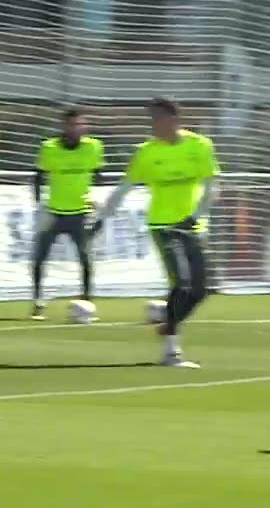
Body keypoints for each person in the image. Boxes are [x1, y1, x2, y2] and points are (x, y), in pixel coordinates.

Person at [90, 97, 219, 368]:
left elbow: (211, 187)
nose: (153, 125)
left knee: (202, 289)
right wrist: (101, 218)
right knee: (181, 283)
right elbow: (124, 188)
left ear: (173, 119)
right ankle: (171, 351)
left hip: (192, 226)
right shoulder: (146, 152)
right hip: (162, 225)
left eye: (157, 118)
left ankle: (170, 322)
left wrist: (194, 218)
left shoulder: (200, 146)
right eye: (151, 119)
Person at [30, 109, 104, 321]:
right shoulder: (49, 148)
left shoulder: (94, 147)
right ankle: (38, 302)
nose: (76, 129)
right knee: (40, 257)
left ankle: (87, 301)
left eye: (80, 125)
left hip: (80, 212)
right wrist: (38, 205)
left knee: (85, 258)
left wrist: (96, 197)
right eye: (72, 125)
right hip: (54, 212)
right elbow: (38, 176)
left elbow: (98, 174)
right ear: (64, 126)